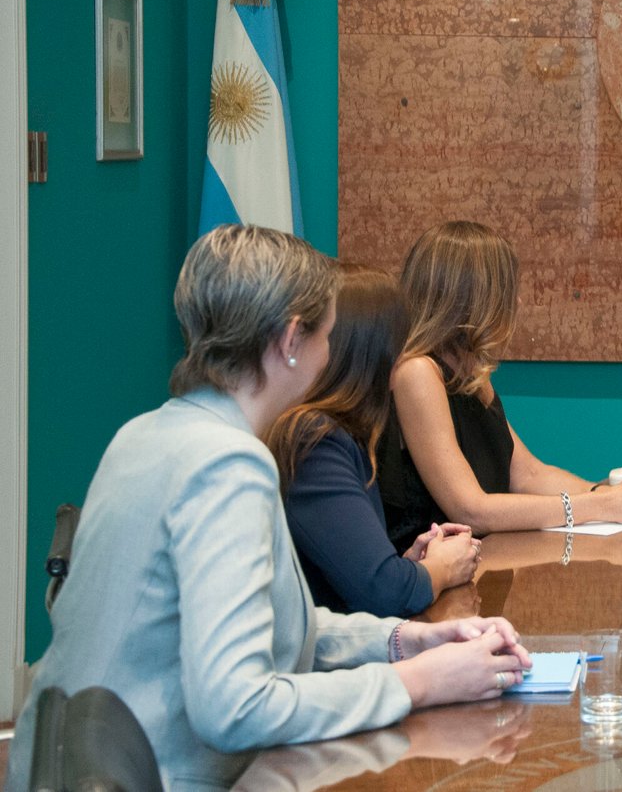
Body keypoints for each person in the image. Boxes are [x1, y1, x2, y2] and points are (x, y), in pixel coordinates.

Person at [5, 225, 531, 792]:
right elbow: (237, 708)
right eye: (327, 335)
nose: (330, 355)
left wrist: (402, 641)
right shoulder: (228, 465)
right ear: (290, 340)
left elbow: (273, 625)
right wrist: (418, 682)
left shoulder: (145, 434)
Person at [378, 220, 622, 546]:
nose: (517, 304)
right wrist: (601, 505)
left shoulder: (471, 374)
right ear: (473, 300)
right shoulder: (417, 372)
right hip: (428, 569)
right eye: (507, 292)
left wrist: (607, 493)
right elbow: (469, 510)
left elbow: (528, 475)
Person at [267, 264, 480, 617]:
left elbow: (355, 576)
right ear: (376, 355)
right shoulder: (314, 443)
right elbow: (383, 593)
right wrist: (441, 568)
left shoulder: (338, 434)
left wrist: (409, 565)